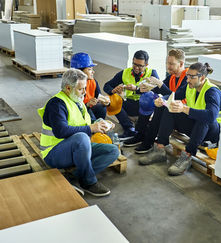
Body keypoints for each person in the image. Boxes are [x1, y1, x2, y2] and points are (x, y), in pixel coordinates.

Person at [38, 68, 119, 196]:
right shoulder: (56, 104)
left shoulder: (77, 100)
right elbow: (61, 131)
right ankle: (88, 182)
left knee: (113, 151)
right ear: (68, 88)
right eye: (81, 89)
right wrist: (91, 128)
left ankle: (75, 176)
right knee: (81, 138)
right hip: (54, 153)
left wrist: (101, 123)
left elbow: (86, 122)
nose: (84, 92)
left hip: (77, 149)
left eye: (84, 88)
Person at [138, 62, 221, 176]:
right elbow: (174, 95)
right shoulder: (190, 86)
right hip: (195, 128)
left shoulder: (212, 92)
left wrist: (184, 109)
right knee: (170, 109)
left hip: (210, 134)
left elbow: (211, 116)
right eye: (187, 76)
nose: (187, 79)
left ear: (202, 77)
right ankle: (160, 149)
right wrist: (162, 99)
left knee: (204, 120)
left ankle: (187, 155)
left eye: (191, 77)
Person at [123, 49, 188, 154]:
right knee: (147, 97)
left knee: (160, 105)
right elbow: (160, 89)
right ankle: (140, 134)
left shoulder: (188, 78)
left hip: (182, 114)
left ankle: (148, 141)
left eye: (171, 64)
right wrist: (147, 87)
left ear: (181, 64)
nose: (168, 66)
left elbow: (175, 95)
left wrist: (159, 84)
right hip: (172, 109)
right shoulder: (172, 76)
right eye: (167, 63)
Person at [103, 50, 160, 140]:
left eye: (140, 66)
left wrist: (136, 89)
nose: (136, 68)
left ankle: (142, 129)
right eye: (135, 64)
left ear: (146, 65)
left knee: (150, 98)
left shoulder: (152, 73)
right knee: (112, 99)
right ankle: (129, 128)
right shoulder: (124, 73)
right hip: (128, 104)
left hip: (144, 105)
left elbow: (156, 91)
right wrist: (113, 90)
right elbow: (106, 86)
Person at [70, 52, 109, 121]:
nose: (93, 72)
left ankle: (99, 127)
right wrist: (87, 105)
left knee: (101, 107)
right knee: (89, 115)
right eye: (89, 69)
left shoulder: (93, 82)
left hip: (88, 108)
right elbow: (72, 109)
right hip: (77, 113)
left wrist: (104, 101)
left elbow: (98, 96)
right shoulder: (71, 86)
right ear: (79, 71)